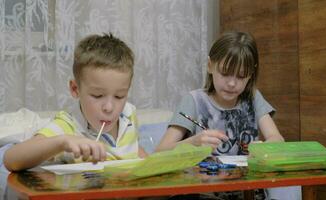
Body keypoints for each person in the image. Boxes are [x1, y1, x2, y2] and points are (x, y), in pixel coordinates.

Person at [155, 31, 301, 200]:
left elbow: (277, 139)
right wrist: (193, 142)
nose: (232, 83)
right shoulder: (194, 101)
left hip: (249, 192)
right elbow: (159, 153)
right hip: (205, 194)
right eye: (225, 73)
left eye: (241, 76)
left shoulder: (253, 98)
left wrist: (264, 148)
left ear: (251, 74)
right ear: (210, 66)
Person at [3, 33, 147, 172]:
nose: (109, 108)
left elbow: (134, 151)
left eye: (119, 96)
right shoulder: (67, 126)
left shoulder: (128, 114)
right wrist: (62, 142)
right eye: (97, 95)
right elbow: (11, 160)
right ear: (75, 89)